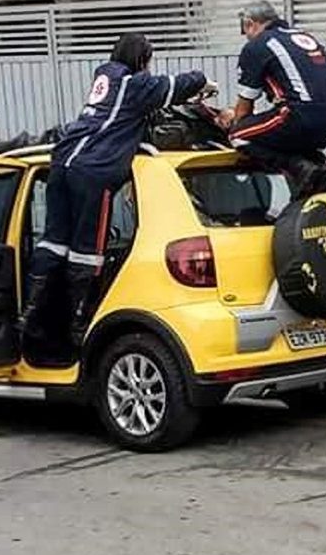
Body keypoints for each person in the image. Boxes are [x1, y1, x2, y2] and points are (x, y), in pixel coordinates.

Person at [18, 33, 209, 348]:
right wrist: (203, 81)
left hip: (63, 162)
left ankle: (32, 319)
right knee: (86, 251)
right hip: (94, 171)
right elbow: (182, 84)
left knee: (53, 242)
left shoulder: (104, 80)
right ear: (140, 60)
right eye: (148, 61)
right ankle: (77, 328)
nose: (149, 68)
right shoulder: (134, 86)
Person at [216, 0, 326, 195]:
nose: (247, 39)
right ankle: (319, 166)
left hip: (301, 117)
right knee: (285, 139)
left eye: (245, 33)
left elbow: (244, 109)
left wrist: (233, 120)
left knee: (239, 134)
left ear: (250, 23)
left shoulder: (258, 46)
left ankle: (299, 168)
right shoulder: (304, 36)